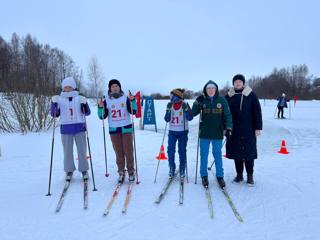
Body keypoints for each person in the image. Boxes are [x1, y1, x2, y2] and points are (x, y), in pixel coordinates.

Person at [192, 80, 232, 188]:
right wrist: (197, 102)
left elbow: (227, 115)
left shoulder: (222, 100)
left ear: (216, 89)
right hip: (204, 133)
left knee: (217, 155)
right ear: (206, 90)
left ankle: (220, 176)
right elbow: (193, 113)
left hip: (217, 133)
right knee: (203, 155)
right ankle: (204, 176)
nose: (210, 90)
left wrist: (228, 127)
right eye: (208, 88)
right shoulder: (203, 100)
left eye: (212, 88)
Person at [51, 77, 91, 181]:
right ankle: (69, 170)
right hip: (66, 128)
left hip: (79, 127)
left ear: (73, 87)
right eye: (65, 87)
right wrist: (54, 104)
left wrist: (84, 104)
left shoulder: (80, 98)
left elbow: (87, 113)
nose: (67, 89)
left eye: (69, 87)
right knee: (67, 151)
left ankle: (84, 170)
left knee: (82, 150)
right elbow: (54, 114)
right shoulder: (58, 99)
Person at [225, 74, 262, 186]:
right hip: (234, 129)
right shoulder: (228, 96)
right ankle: (239, 175)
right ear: (233, 83)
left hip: (248, 129)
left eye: (240, 81)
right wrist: (225, 127)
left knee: (248, 153)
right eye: (236, 81)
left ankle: (250, 176)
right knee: (237, 153)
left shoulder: (250, 94)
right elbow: (224, 113)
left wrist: (258, 127)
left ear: (243, 83)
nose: (238, 83)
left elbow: (257, 111)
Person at [97, 79, 137, 183]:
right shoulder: (106, 100)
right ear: (110, 88)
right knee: (118, 152)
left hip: (126, 127)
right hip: (114, 129)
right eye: (112, 86)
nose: (114, 88)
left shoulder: (125, 98)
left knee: (128, 151)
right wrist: (100, 107)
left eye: (116, 86)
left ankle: (131, 171)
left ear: (120, 87)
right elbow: (102, 116)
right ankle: (121, 172)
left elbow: (134, 111)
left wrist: (133, 101)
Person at [164, 88, 193, 180]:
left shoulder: (185, 104)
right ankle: (172, 167)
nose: (170, 97)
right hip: (172, 131)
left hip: (183, 131)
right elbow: (167, 119)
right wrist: (168, 110)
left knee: (182, 150)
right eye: (170, 96)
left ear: (177, 96)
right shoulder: (170, 105)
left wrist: (187, 111)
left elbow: (190, 118)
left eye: (171, 96)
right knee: (170, 150)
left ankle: (182, 169)